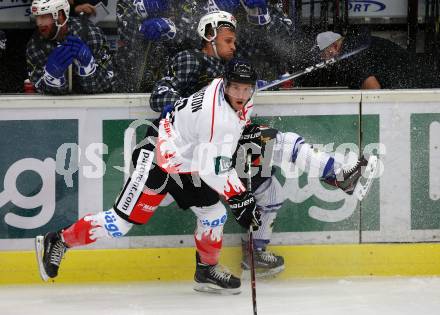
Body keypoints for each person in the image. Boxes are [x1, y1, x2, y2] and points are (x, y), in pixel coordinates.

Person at [35, 58, 261, 295]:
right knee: (119, 223)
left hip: (186, 159)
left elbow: (222, 140)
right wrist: (241, 199)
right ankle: (59, 240)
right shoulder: (216, 118)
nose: (242, 94)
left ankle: (206, 269)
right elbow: (213, 170)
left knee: (213, 214)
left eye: (247, 89)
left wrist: (242, 131)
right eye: (236, 87)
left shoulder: (227, 91)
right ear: (225, 85)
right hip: (158, 153)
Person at [235, 123, 378, 276]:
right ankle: (338, 176)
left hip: (236, 144)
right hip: (225, 146)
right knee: (287, 143)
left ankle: (255, 252)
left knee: (271, 194)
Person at [149, 10, 237, 113]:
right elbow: (159, 97)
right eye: (228, 41)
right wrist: (194, 108)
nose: (233, 47)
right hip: (189, 127)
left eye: (234, 42)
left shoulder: (227, 65)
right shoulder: (192, 59)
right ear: (210, 36)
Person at [26, 0, 114, 94]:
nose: (39, 23)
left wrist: (88, 69)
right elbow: (37, 91)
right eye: (37, 17)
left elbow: (108, 84)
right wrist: (52, 80)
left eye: (44, 16)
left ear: (60, 16)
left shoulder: (91, 34)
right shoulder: (35, 46)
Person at [299, 30, 414, 89]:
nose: (322, 59)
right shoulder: (353, 45)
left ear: (334, 46)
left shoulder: (350, 57)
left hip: (412, 84)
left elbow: (373, 90)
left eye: (323, 54)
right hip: (409, 75)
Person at [115, 0, 177, 92]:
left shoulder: (172, 4)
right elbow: (118, 28)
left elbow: (194, 27)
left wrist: (173, 27)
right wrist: (139, 14)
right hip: (122, 78)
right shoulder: (125, 4)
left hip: (157, 84)